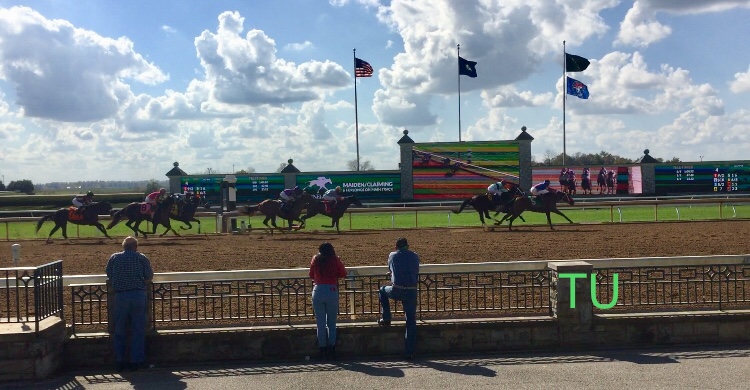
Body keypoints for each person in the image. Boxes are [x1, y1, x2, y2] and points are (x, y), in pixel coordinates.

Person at [106, 236, 154, 372]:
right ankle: (136, 361)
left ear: (123, 247)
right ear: (136, 247)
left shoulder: (114, 257)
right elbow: (149, 275)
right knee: (138, 329)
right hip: (138, 295)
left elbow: (109, 273)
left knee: (119, 329)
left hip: (121, 296)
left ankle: (120, 361)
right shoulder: (141, 258)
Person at [378, 237, 420, 360]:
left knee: (382, 290)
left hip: (397, 290)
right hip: (412, 290)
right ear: (408, 246)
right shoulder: (415, 256)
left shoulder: (392, 255)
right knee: (411, 321)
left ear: (396, 248)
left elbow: (391, 269)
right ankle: (409, 352)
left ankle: (386, 318)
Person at [308, 242, 347, 361]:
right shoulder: (335, 259)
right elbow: (343, 273)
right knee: (332, 324)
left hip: (318, 290)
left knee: (320, 324)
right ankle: (332, 350)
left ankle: (322, 350)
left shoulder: (316, 259)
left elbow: (311, 275)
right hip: (331, 290)